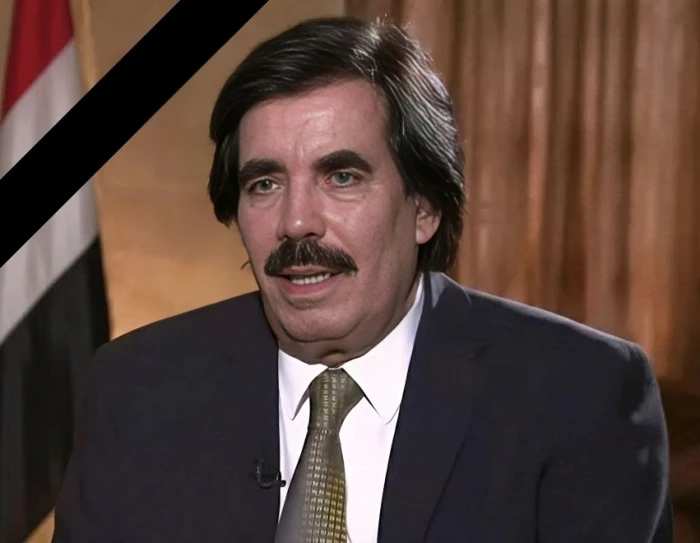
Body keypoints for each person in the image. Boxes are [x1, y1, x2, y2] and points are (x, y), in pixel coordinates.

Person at [51, 15, 673, 543]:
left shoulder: (579, 395)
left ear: (424, 207)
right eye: (264, 183)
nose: (296, 222)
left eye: (341, 177)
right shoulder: (136, 391)